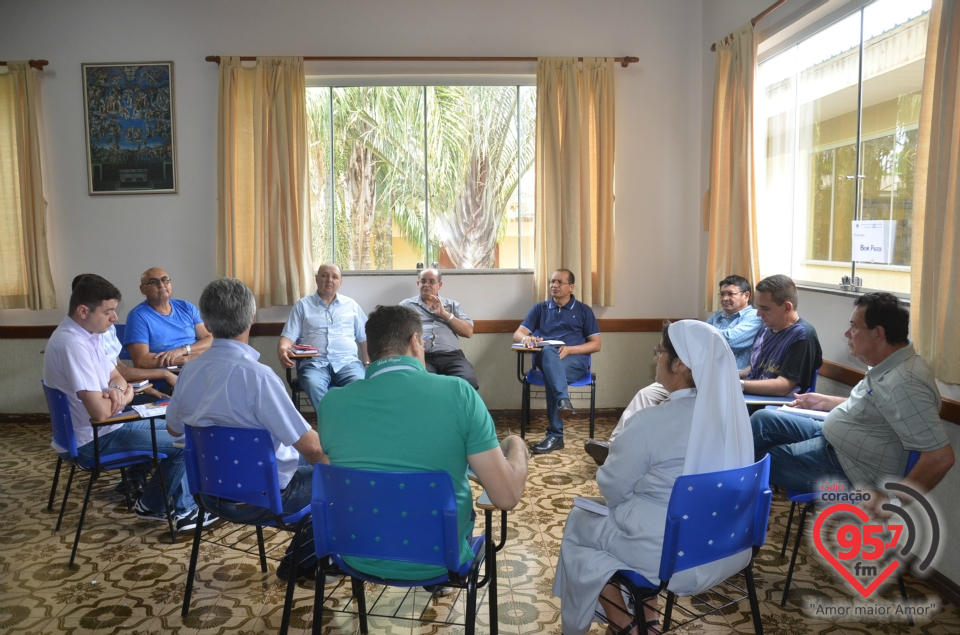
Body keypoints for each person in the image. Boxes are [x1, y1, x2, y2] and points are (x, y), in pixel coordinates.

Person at [554, 321, 754, 635]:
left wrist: (630, 504)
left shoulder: (652, 421)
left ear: (680, 364)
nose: (655, 359)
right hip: (729, 545)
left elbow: (612, 485)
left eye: (659, 352)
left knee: (579, 525)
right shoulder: (735, 419)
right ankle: (650, 619)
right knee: (632, 520)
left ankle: (626, 625)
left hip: (673, 554)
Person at [318, 305, 528, 582]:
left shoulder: (331, 403)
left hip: (356, 553)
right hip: (440, 558)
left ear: (369, 349)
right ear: (416, 342)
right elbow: (506, 497)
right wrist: (516, 445)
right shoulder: (459, 393)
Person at [165, 278, 329, 582]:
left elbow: (174, 428)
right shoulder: (259, 377)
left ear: (207, 322)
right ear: (252, 318)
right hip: (265, 499)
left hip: (209, 494)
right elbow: (312, 448)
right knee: (334, 478)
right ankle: (298, 564)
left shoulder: (189, 371)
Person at [751, 293, 955, 514]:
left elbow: (940, 458)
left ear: (878, 333)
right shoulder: (891, 362)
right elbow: (877, 405)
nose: (847, 333)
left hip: (849, 469)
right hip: (833, 440)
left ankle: (731, 503)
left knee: (758, 459)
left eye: (854, 327)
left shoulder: (905, 382)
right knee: (763, 420)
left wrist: (892, 502)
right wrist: (825, 401)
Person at [42, 274, 211, 532]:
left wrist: (118, 391)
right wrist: (121, 394)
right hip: (93, 439)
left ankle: (153, 505)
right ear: (83, 311)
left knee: (182, 431)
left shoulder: (90, 334)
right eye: (108, 311)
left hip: (109, 425)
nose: (115, 318)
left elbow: (118, 376)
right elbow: (99, 412)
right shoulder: (72, 344)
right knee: (185, 443)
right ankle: (184, 511)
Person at [585, 274, 762, 465]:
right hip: (690, 372)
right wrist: (696, 338)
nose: (725, 298)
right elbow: (699, 342)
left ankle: (643, 453)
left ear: (746, 295)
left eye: (731, 294)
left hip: (718, 381)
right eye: (722, 294)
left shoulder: (754, 318)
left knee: (668, 405)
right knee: (646, 394)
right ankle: (614, 445)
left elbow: (723, 341)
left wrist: (697, 337)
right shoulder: (716, 317)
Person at [513, 269, 601, 454]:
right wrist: (526, 339)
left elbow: (596, 344)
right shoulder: (540, 309)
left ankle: (556, 435)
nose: (554, 285)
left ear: (571, 287)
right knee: (548, 354)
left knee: (554, 378)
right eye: (552, 281)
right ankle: (563, 404)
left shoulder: (584, 310)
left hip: (575, 361)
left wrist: (570, 349)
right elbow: (517, 334)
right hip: (547, 360)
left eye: (560, 282)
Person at [71, 274, 178, 401]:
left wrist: (143, 386)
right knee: (170, 406)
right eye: (107, 312)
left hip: (122, 387)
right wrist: (164, 374)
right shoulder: (79, 339)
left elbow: (119, 366)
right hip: (108, 396)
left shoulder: (107, 328)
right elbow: (114, 374)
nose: (114, 318)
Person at [278, 263, 368, 412]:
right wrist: (282, 349)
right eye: (324, 275)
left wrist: (367, 364)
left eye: (334, 277)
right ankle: (331, 423)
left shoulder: (351, 305)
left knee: (361, 384)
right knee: (313, 383)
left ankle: (352, 424)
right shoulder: (302, 306)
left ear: (340, 282)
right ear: (316, 279)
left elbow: (364, 339)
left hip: (348, 363)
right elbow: (288, 337)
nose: (329, 280)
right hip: (314, 364)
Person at [740, 274, 821, 396]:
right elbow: (755, 367)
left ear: (787, 307)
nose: (758, 314)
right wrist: (730, 376)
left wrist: (738, 385)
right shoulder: (766, 328)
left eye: (765, 308)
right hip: (752, 395)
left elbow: (783, 386)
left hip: (772, 404)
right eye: (758, 307)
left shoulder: (802, 336)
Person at [399, 268, 479, 389]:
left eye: (431, 281)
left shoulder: (452, 305)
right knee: (423, 384)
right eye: (423, 281)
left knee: (467, 382)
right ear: (418, 284)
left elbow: (468, 332)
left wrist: (445, 314)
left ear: (439, 285)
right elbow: (395, 333)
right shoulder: (406, 306)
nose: (426, 285)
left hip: (452, 356)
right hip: (422, 356)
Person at [124, 267, 213, 369]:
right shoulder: (138, 316)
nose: (161, 285)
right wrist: (184, 360)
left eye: (165, 280)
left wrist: (184, 350)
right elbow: (141, 360)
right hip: (168, 375)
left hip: (198, 365)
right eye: (153, 282)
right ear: (143, 289)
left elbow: (209, 338)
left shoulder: (186, 307)